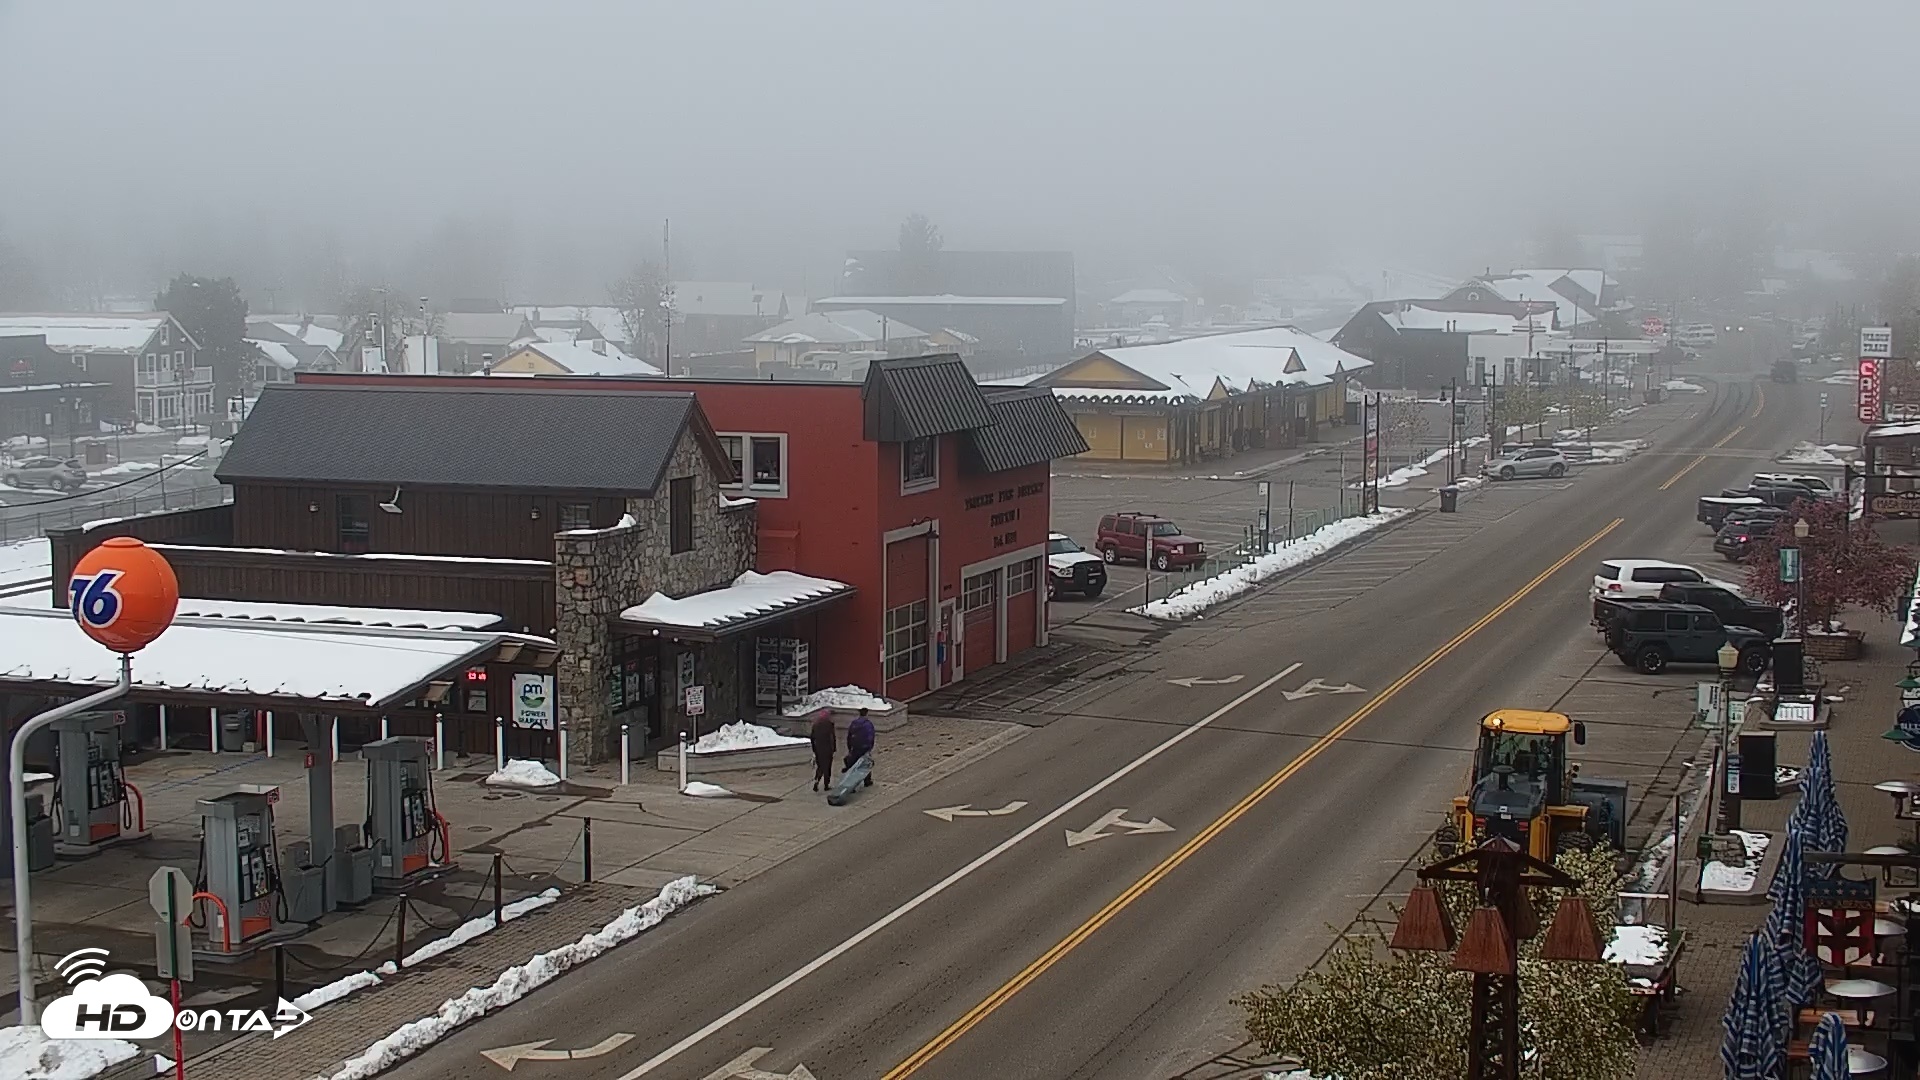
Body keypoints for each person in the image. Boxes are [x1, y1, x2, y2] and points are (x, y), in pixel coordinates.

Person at [846, 708, 876, 787]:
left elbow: (849, 736)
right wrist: (870, 747)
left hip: (855, 747)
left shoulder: (854, 723)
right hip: (865, 747)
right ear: (866, 714)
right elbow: (870, 736)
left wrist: (850, 747)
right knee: (866, 764)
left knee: (854, 765)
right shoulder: (868, 724)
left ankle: (852, 784)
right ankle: (867, 781)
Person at [809, 710, 836, 792]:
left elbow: (812, 738)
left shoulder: (815, 725)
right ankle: (826, 785)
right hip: (827, 749)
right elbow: (832, 737)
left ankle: (817, 780)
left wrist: (814, 749)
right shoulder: (829, 725)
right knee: (827, 767)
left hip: (818, 749)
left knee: (820, 766)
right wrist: (834, 748)